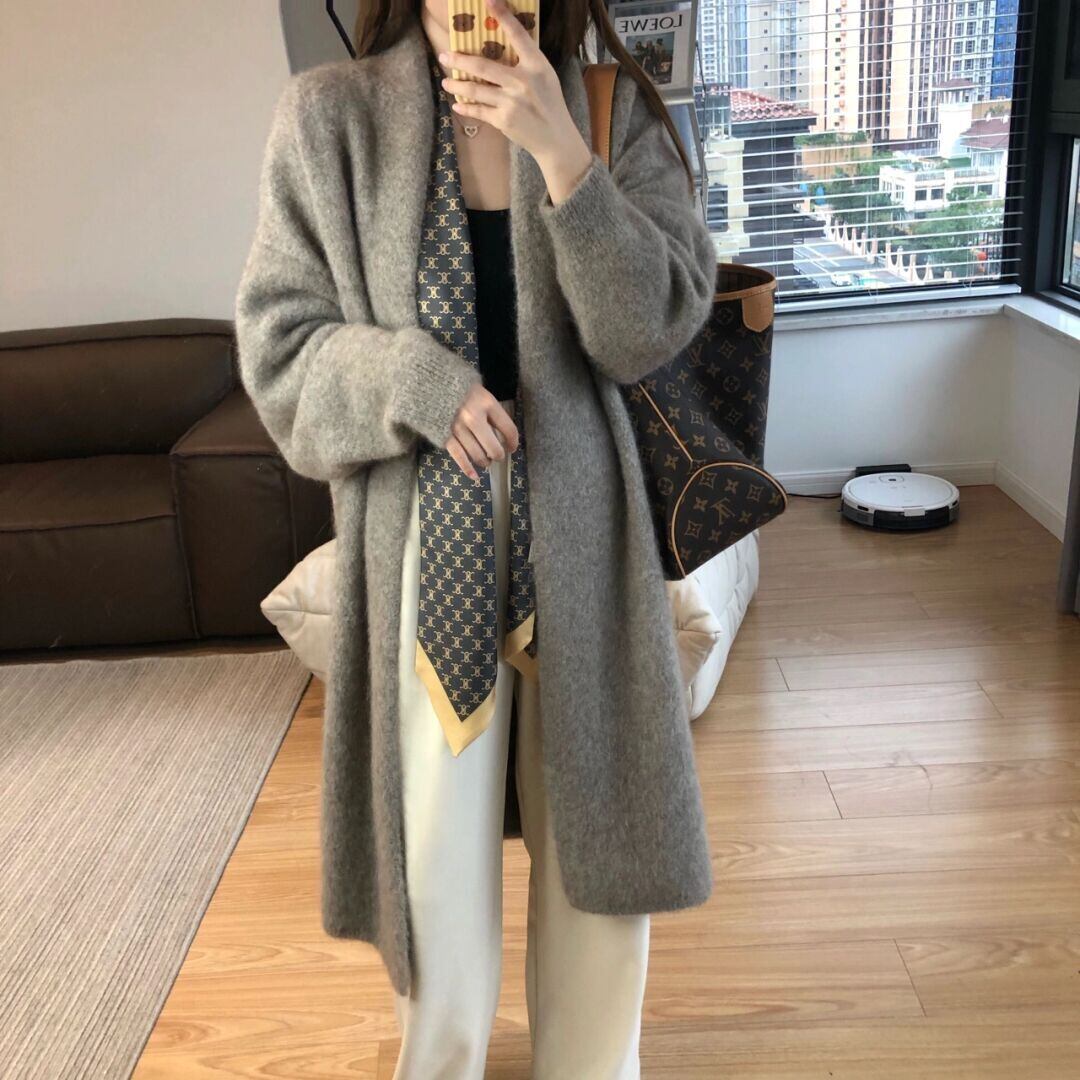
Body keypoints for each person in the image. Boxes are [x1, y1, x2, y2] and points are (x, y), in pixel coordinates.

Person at [234, 0, 719, 1076]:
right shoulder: (330, 119)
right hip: (423, 543)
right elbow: (280, 350)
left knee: (599, 857)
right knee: (433, 865)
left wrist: (564, 156)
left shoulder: (611, 109)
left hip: (584, 535)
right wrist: (414, 380)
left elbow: (648, 332)